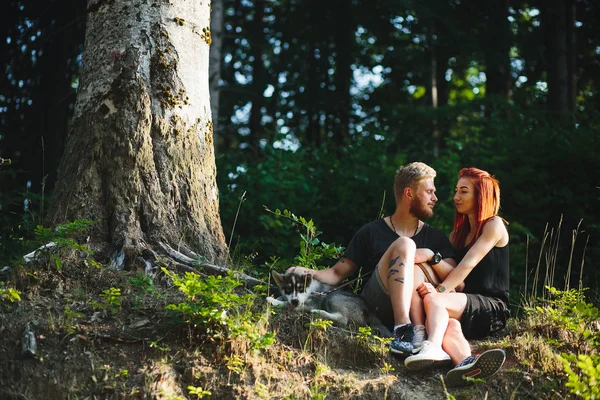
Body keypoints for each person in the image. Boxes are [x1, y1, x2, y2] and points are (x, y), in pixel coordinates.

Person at [288, 162, 459, 356]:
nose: (435, 198)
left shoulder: (435, 237)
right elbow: (337, 273)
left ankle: (415, 333)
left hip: (422, 305)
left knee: (409, 248)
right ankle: (403, 330)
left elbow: (457, 281)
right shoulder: (371, 232)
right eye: (429, 192)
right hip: (377, 302)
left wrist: (430, 256)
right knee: (405, 244)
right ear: (409, 193)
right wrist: (305, 272)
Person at [404, 167, 510, 386]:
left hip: (492, 307)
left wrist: (439, 291)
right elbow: (454, 275)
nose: (455, 197)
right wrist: (427, 261)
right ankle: (466, 364)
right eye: (456, 190)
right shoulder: (458, 235)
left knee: (434, 300)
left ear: (481, 195)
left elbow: (467, 264)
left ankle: (431, 346)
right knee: (449, 325)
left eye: (464, 191)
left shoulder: (494, 225)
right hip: (463, 304)